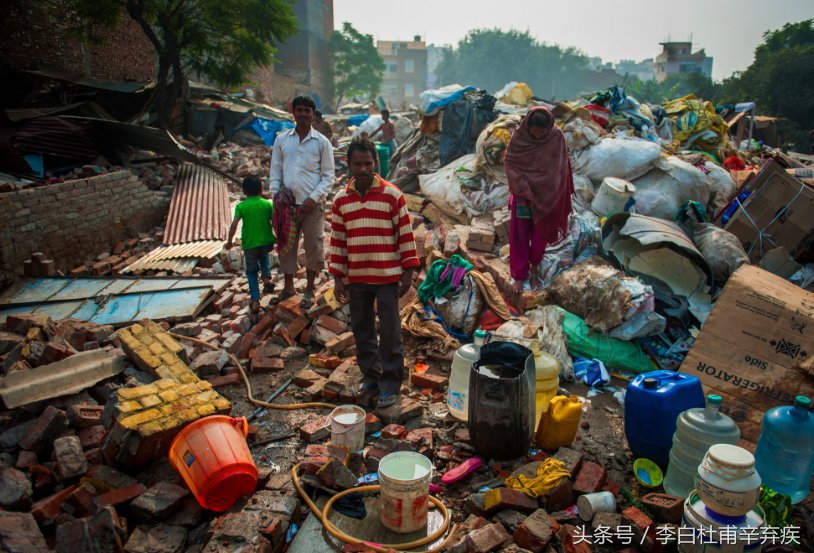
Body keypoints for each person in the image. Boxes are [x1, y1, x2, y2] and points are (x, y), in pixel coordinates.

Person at [329, 137, 419, 408]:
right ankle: (371, 376)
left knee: (390, 332)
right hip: (357, 278)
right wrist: (337, 279)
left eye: (368, 163)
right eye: (357, 164)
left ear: (376, 163)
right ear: (348, 164)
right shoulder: (341, 200)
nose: (363, 169)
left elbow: (405, 235)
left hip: (387, 277)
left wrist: (407, 274)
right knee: (362, 330)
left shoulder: (392, 195)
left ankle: (390, 382)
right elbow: (338, 242)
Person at [269, 95, 335, 307]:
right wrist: (275, 197)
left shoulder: (322, 143)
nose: (304, 114)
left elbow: (328, 177)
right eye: (300, 110)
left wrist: (313, 198)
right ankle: (288, 287)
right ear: (293, 113)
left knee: (313, 245)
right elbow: (275, 171)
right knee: (286, 247)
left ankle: (309, 288)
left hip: (312, 206)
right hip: (286, 205)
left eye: (308, 110)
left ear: (313, 114)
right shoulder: (282, 139)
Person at [503, 106, 574, 292]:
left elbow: (560, 166)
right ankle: (519, 275)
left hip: (547, 195)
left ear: (548, 129)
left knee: (540, 236)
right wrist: (521, 184)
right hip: (523, 194)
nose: (537, 137)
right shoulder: (520, 136)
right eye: (533, 134)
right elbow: (509, 161)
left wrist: (549, 187)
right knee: (519, 234)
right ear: (528, 127)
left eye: (541, 134)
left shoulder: (556, 137)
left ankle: (534, 269)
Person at [226, 175, 276, 313]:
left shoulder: (241, 206)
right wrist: (277, 237)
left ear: (244, 191)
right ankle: (266, 279)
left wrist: (229, 242)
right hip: (266, 242)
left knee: (251, 271)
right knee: (264, 256)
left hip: (250, 244)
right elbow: (275, 222)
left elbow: (234, 224)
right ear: (261, 189)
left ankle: (255, 300)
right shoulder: (267, 204)